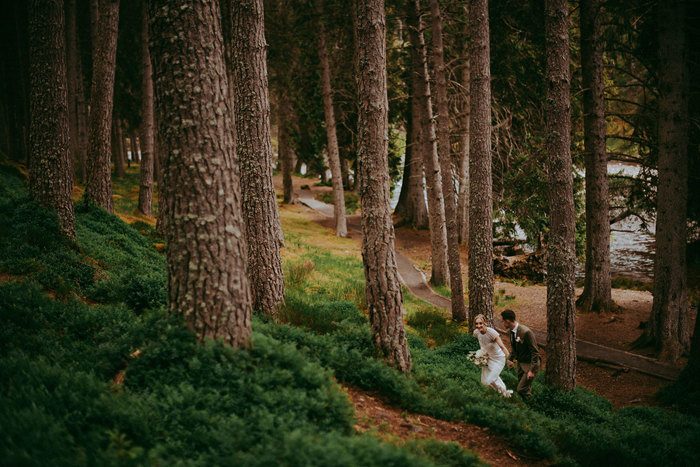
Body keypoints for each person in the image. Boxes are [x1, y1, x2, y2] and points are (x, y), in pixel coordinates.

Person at [501, 309, 541, 399]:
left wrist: (532, 370)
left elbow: (535, 352)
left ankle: (532, 403)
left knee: (521, 389)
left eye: (502, 321)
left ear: (507, 321)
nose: (502, 323)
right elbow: (515, 348)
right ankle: (527, 404)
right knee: (524, 388)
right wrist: (510, 359)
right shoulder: (511, 332)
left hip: (529, 364)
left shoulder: (526, 332)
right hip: (520, 364)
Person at [473, 314, 512, 398]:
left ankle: (505, 395)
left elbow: (502, 346)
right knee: (485, 381)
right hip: (489, 358)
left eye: (480, 323)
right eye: (477, 324)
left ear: (485, 323)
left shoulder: (491, 333)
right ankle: (498, 394)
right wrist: (481, 356)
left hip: (499, 359)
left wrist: (509, 359)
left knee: (490, 380)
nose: (478, 326)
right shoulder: (476, 332)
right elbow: (482, 344)